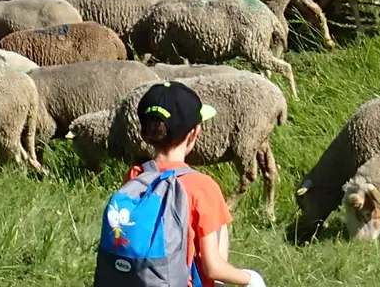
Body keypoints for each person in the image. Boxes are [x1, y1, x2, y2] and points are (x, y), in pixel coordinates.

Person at [96, 82, 266, 287]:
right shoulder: (203, 187)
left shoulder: (135, 177)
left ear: (145, 134)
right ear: (194, 133)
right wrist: (251, 279)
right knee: (218, 225)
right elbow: (213, 268)